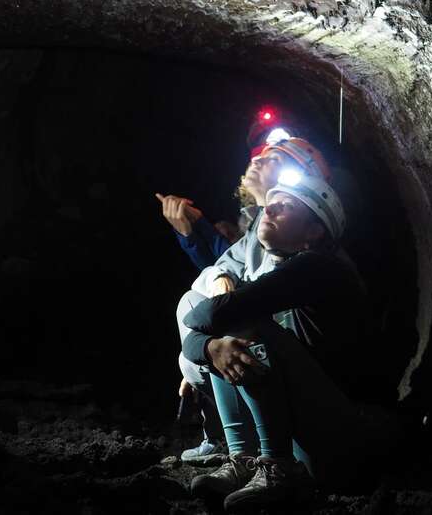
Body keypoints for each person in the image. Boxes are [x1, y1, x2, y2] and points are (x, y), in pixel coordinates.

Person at [182, 170, 396, 509]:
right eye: (271, 203)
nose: (267, 209)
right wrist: (210, 348)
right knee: (212, 316)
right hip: (314, 436)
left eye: (286, 207)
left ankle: (276, 466)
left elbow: (209, 317)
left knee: (241, 321)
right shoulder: (283, 268)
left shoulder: (321, 268)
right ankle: (245, 460)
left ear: (315, 231)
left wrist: (206, 342)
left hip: (349, 445)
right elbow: (197, 316)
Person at [166, 136, 333, 463]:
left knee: (236, 327)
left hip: (310, 401)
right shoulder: (257, 227)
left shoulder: (313, 258)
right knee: (205, 317)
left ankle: (270, 460)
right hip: (269, 375)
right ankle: (238, 451)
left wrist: (205, 338)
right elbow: (221, 266)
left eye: (274, 159)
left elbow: (242, 303)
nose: (257, 160)